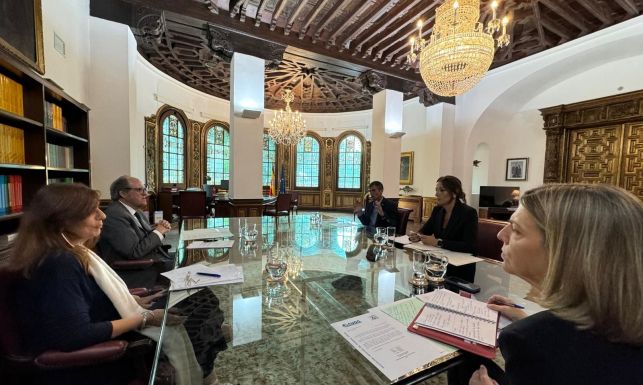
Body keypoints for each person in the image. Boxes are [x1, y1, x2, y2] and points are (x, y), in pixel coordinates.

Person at [468, 184, 643, 385]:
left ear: (564, 251)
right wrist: (529, 319)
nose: (501, 235)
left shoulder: (530, 341)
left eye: (516, 229)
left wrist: (536, 327)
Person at [5, 183, 176, 385]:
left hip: (113, 328)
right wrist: (143, 318)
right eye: (91, 211)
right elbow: (75, 334)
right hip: (100, 364)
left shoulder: (72, 252)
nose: (102, 216)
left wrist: (133, 299)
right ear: (62, 221)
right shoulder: (59, 264)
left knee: (190, 299)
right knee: (193, 312)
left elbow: (86, 299)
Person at [98, 175, 174, 287]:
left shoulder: (135, 211)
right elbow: (134, 252)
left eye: (145, 189)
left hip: (155, 259)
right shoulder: (115, 215)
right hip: (139, 272)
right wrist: (158, 232)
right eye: (140, 190)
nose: (145, 194)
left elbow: (141, 236)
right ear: (123, 193)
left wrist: (158, 228)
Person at [410, 175, 478, 281]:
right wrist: (418, 236)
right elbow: (425, 231)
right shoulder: (437, 210)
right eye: (436, 190)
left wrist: (439, 242)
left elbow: (470, 246)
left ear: (454, 193)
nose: (436, 194)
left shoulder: (469, 213)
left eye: (442, 190)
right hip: (438, 264)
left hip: (460, 268)